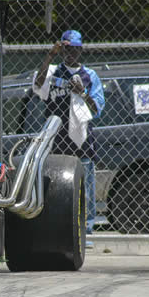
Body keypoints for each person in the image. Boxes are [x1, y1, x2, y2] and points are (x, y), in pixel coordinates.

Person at [33, 29, 105, 247]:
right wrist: (49, 56)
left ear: (81, 50)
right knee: (55, 186)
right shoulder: (54, 71)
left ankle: (86, 230)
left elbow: (97, 108)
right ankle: (57, 229)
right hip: (57, 140)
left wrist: (82, 92)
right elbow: (38, 85)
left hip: (82, 141)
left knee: (85, 186)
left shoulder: (89, 76)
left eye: (74, 49)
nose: (70, 54)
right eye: (66, 49)